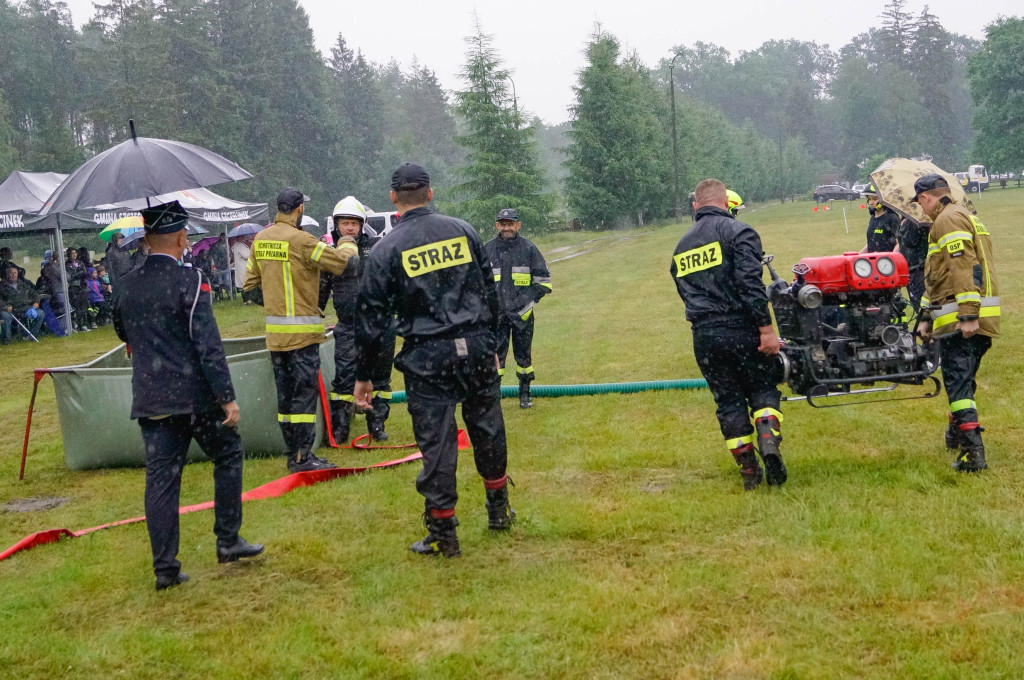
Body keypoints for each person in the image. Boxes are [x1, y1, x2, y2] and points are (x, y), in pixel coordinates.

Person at [355, 163, 514, 558]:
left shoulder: (385, 250)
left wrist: (365, 377)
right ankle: (498, 509)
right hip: (475, 346)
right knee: (488, 428)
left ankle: (444, 531)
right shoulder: (463, 230)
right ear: (430, 193)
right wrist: (493, 343)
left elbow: (372, 322)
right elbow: (490, 292)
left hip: (429, 356)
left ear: (393, 198)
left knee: (438, 444)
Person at [113, 200, 263, 591]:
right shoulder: (191, 281)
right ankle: (228, 540)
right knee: (228, 454)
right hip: (194, 396)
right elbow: (208, 345)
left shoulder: (126, 283)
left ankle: (165, 569)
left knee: (161, 481)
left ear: (145, 238)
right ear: (182, 238)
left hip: (151, 395)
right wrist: (226, 397)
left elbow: (122, 331)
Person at [670, 178, 786, 491]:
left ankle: (749, 472)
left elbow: (684, 291)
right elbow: (750, 285)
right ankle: (768, 437)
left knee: (728, 400)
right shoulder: (739, 232)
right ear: (725, 203)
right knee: (762, 385)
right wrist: (766, 330)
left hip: (704, 335)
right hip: (742, 327)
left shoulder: (681, 246)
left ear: (696, 206)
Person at [243, 188, 359, 473]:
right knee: (304, 398)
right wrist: (347, 244)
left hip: (276, 337)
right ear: (299, 210)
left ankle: (292, 454)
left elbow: (250, 289)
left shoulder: (260, 239)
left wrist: (276, 299)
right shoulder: (304, 241)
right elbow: (344, 265)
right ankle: (304, 458)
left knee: (285, 400)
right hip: (303, 336)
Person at [912, 174, 999, 472]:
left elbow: (962, 268)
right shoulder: (967, 216)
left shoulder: (946, 221)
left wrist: (967, 315)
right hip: (981, 317)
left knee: (958, 383)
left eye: (920, 203)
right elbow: (939, 278)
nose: (921, 210)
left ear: (926, 198)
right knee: (963, 379)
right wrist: (925, 316)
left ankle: (973, 453)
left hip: (962, 320)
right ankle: (956, 433)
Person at [319, 196, 395, 443]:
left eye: (354, 222)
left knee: (381, 378)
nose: (350, 227)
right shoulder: (331, 255)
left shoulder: (377, 247)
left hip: (380, 323)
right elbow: (322, 289)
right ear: (336, 226)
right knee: (343, 379)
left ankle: (377, 425)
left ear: (362, 224)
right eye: (345, 223)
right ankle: (341, 429)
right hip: (348, 326)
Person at [483, 207, 552, 409]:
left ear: (518, 225)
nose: (506, 228)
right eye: (503, 224)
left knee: (524, 357)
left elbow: (543, 283)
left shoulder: (529, 249)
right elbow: (478, 283)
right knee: (495, 357)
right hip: (496, 316)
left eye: (510, 224)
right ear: (497, 225)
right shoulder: (487, 250)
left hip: (522, 314)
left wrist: (523, 303)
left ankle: (525, 393)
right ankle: (493, 396)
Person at [1, 265, 44, 342]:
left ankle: (31, 335)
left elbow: (35, 294)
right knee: (5, 316)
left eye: (15, 273)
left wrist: (36, 303)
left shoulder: (23, 284)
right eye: (11, 273)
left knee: (40, 313)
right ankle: (7, 338)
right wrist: (5, 307)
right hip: (11, 310)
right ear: (7, 275)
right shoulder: (2, 286)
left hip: (25, 308)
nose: (14, 275)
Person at [894, 215, 928, 311]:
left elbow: (910, 240)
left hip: (919, 269)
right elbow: (901, 243)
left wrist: (905, 225)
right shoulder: (907, 219)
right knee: (918, 306)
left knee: (922, 308)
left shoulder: (917, 220)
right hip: (911, 270)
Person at [859, 184, 900, 253]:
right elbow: (871, 243)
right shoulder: (873, 218)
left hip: (885, 262)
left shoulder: (892, 218)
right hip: (872, 261)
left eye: (874, 199)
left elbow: (900, 243)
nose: (871, 203)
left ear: (883, 199)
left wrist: (891, 257)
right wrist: (857, 256)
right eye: (869, 199)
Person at [65, 247, 90, 332]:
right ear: (69, 255)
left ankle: (82, 324)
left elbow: (85, 272)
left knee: (83, 306)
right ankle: (75, 324)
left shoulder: (80, 262)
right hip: (73, 288)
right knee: (75, 306)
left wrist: (78, 273)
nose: (74, 255)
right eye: (72, 253)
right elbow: (70, 276)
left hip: (81, 286)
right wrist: (79, 272)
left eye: (75, 253)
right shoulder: (67, 264)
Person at [210, 233, 231, 300]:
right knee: (220, 282)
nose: (223, 239)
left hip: (226, 266)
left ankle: (229, 295)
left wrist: (229, 260)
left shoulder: (227, 245)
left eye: (224, 237)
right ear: (220, 238)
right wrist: (216, 264)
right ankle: (220, 295)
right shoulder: (216, 246)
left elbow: (230, 254)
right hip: (218, 267)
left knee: (227, 281)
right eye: (222, 237)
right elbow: (214, 256)